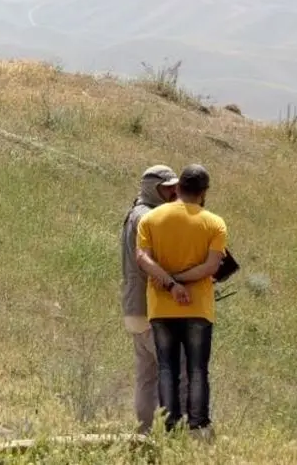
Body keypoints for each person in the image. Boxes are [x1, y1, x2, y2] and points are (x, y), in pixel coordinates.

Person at [135, 164, 227, 438]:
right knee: (197, 368)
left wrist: (170, 283)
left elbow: (142, 258)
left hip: (161, 307)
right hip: (198, 308)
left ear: (178, 188)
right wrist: (183, 281)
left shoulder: (150, 219)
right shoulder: (214, 223)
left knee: (167, 368)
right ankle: (197, 425)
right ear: (204, 192)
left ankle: (169, 424)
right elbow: (212, 266)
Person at [120, 165, 184, 434]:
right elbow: (157, 262)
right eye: (167, 187)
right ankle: (179, 436)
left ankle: (143, 434)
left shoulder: (135, 214)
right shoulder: (149, 218)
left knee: (147, 377)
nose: (173, 192)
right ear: (152, 188)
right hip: (151, 308)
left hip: (134, 308)